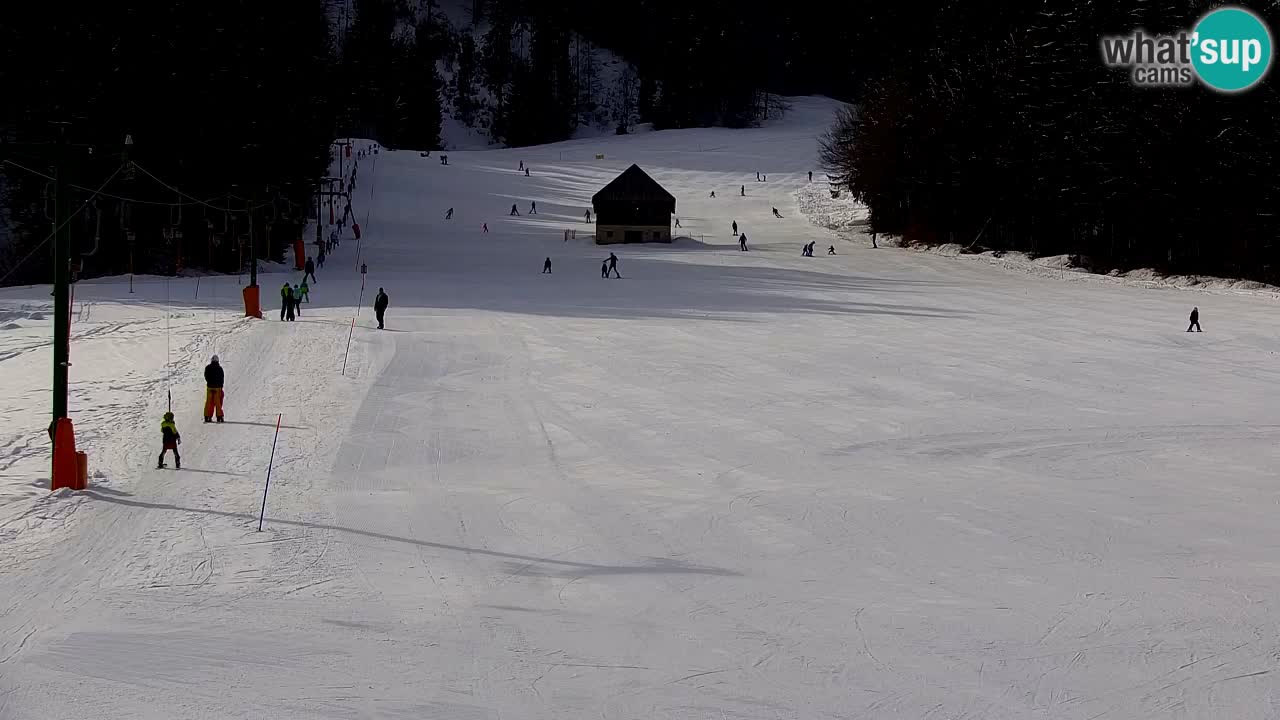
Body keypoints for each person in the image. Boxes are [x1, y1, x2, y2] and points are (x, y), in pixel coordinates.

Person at [204, 355, 225, 423]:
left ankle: (207, 417)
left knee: (209, 402)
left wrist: (209, 382)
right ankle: (219, 417)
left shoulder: (208, 368)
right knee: (218, 403)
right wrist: (220, 386)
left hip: (210, 388)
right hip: (217, 388)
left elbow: (206, 376)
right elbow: (222, 378)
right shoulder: (220, 368)